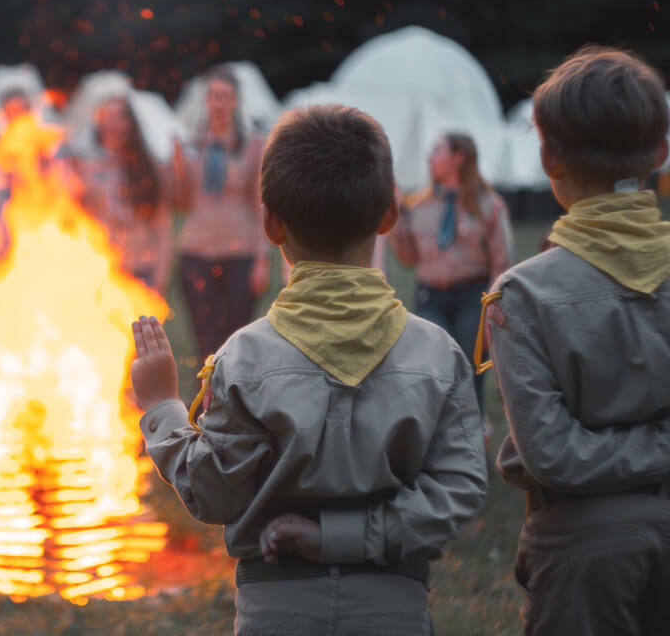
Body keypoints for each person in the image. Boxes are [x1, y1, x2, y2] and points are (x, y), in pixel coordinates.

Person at [130, 105, 487, 635]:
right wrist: (348, 537)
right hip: (395, 608)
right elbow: (458, 490)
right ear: (389, 215)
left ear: (269, 223)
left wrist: (163, 406)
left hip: (276, 611)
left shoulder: (243, 358)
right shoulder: (437, 354)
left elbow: (214, 492)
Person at [478, 46, 670, 635]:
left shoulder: (521, 295)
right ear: (661, 152)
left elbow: (554, 456)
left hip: (582, 553)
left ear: (547, 158)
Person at [388, 133, 512, 416]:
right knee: (433, 367)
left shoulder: (489, 205)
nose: (430, 157)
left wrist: (493, 309)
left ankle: (475, 430)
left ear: (458, 157)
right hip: (431, 296)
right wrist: (395, 221)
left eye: (437, 150)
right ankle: (440, 435)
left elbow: (501, 263)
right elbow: (407, 258)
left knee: (469, 371)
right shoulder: (418, 204)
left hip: (473, 296)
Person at [173, 66, 270, 361]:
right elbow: (182, 204)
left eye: (225, 96)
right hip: (196, 248)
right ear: (206, 100)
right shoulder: (192, 144)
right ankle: (205, 389)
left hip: (239, 250)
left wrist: (262, 259)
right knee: (205, 337)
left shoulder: (252, 145)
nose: (219, 103)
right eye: (214, 95)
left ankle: (234, 388)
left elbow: (260, 203)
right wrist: (179, 167)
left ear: (236, 101)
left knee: (236, 335)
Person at [73, 95, 173, 292]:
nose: (114, 124)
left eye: (120, 117)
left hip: (142, 269)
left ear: (131, 124)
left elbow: (162, 228)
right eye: (107, 117)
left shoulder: (149, 168)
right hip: (103, 271)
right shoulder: (85, 168)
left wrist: (160, 277)